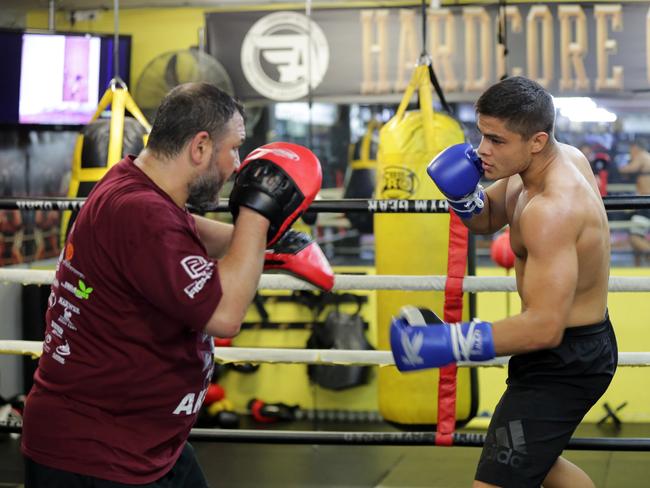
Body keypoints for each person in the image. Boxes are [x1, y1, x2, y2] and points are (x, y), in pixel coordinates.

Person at [21, 82, 327, 487]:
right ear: (199, 147)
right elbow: (225, 315)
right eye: (233, 148)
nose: (237, 165)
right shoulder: (141, 212)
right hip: (95, 457)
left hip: (146, 445)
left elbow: (186, 229)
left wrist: (264, 242)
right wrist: (256, 211)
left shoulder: (131, 183)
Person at [390, 76, 617, 488]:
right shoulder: (532, 167)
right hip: (559, 349)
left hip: (566, 359)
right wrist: (463, 196)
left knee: (495, 479)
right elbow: (487, 219)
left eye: (496, 140)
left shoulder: (553, 209)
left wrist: (446, 343)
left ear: (536, 140)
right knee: (541, 463)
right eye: (481, 135)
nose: (481, 150)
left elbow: (544, 327)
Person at [619, 142, 650, 263]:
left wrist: (617, 167)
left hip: (645, 204)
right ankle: (637, 268)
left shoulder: (642, 156)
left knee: (634, 237)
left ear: (636, 148)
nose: (630, 153)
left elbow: (628, 169)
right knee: (639, 236)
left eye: (631, 150)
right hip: (644, 202)